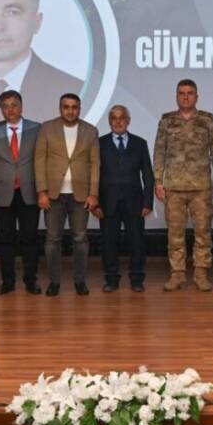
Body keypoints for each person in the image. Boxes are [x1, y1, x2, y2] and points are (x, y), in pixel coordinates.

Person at [153, 79, 213, 292]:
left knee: (203, 233)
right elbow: (159, 152)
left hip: (201, 187)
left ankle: (201, 273)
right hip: (174, 187)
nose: (186, 97)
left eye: (190, 93)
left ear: (197, 97)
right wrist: (157, 181)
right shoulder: (167, 121)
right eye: (182, 93)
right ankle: (177, 274)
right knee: (175, 234)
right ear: (176, 96)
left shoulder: (207, 120)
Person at [35, 93, 100, 296]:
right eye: (66, 107)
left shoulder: (90, 131)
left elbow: (95, 164)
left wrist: (93, 194)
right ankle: (54, 282)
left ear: (79, 109)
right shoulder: (47, 128)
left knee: (80, 239)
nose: (70, 111)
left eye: (74, 107)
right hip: (53, 196)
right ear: (60, 108)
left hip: (80, 196)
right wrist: (42, 191)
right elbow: (39, 160)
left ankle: (80, 281)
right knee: (52, 240)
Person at [0, 90, 42, 295]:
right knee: (5, 239)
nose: (10, 109)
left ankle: (30, 281)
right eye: (5, 106)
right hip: (2, 194)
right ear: (1, 109)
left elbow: (42, 161)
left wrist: (43, 190)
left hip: (29, 192)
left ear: (21, 106)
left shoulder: (36, 129)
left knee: (30, 239)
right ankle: (7, 281)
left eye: (14, 105)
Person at [92, 105, 153, 293]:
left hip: (135, 202)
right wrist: (95, 202)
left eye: (122, 118)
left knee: (136, 242)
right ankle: (111, 279)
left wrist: (148, 202)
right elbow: (93, 174)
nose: (118, 121)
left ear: (128, 121)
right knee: (109, 243)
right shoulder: (99, 143)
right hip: (107, 202)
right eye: (114, 118)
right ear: (109, 121)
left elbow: (148, 176)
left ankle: (136, 279)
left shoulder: (140, 143)